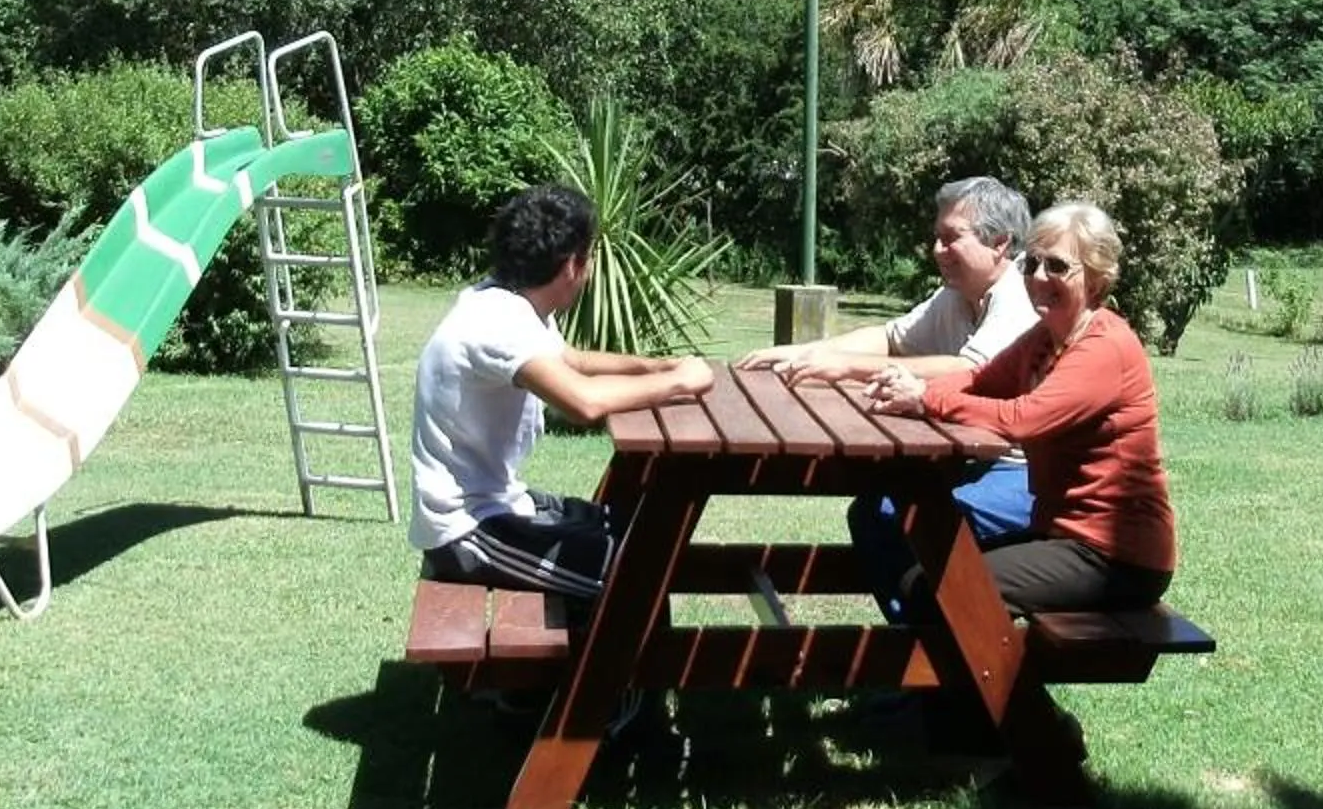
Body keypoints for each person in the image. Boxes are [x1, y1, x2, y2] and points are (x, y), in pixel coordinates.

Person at [860, 197, 1176, 617]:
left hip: (1114, 555)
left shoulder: (1105, 346)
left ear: (1097, 280)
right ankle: (937, 678)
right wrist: (918, 386)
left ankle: (966, 682)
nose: (1039, 277)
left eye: (1058, 266)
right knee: (920, 558)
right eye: (1031, 264)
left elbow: (1022, 419)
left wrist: (925, 398)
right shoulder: (1045, 338)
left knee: (938, 586)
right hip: (1059, 533)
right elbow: (980, 380)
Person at [407, 182, 713, 600]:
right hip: (467, 530)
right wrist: (681, 382)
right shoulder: (498, 322)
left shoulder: (506, 301)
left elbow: (571, 360)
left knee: (622, 527)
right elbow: (583, 404)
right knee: (632, 570)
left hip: (497, 502)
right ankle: (614, 664)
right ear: (572, 265)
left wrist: (657, 366)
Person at [737, 176, 1039, 592]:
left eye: (951, 238)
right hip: (970, 462)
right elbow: (892, 337)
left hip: (1024, 478)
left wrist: (845, 367)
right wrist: (806, 352)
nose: (937, 250)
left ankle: (931, 647)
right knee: (872, 512)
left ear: (1000, 243)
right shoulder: (956, 295)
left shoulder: (1019, 298)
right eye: (936, 237)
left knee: (895, 519)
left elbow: (965, 371)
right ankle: (918, 642)